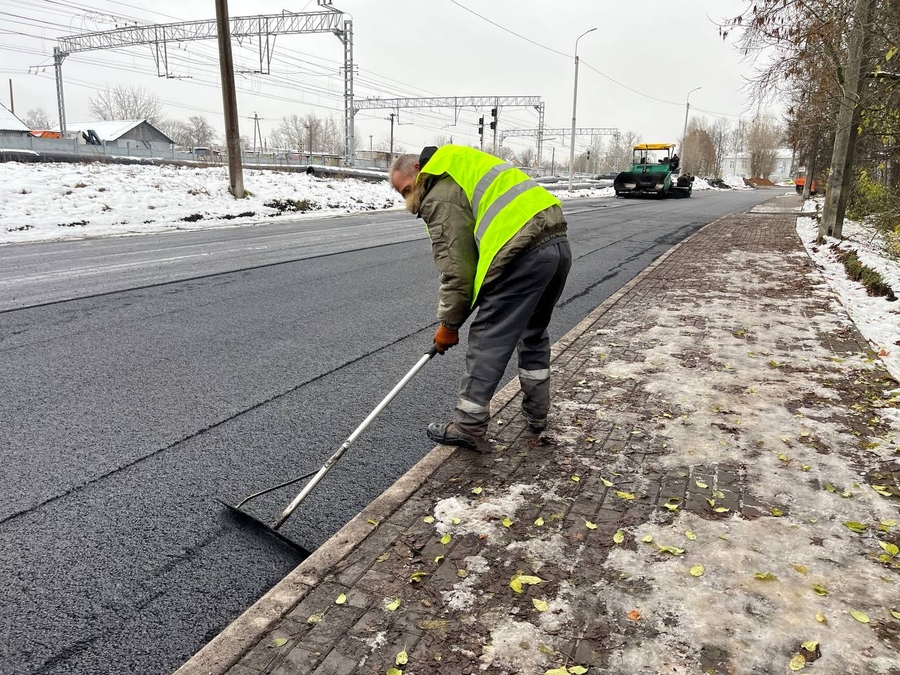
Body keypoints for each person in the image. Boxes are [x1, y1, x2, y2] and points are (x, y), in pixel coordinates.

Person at [390, 145, 572, 453]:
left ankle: (468, 426)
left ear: (419, 172)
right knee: (533, 333)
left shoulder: (440, 190)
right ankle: (537, 416)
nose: (409, 200)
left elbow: (458, 269)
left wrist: (450, 324)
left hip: (522, 250)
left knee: (489, 337)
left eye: (407, 189)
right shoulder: (460, 162)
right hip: (556, 243)